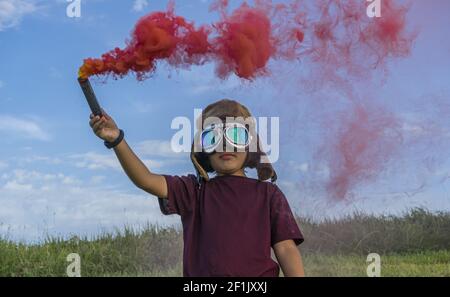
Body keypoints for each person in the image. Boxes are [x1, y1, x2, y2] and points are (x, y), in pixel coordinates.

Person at [89, 99, 305, 276]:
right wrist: (117, 139)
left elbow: (285, 248)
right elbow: (145, 179)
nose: (225, 145)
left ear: (251, 145)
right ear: (202, 150)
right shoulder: (194, 191)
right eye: (213, 137)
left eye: (236, 135)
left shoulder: (268, 194)